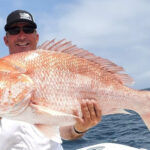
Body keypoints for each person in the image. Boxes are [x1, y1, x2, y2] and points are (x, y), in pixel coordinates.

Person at [1, 9, 102, 150]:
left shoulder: (55, 67)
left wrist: (80, 128)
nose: (22, 36)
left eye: (28, 29)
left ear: (36, 37)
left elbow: (67, 134)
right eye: (14, 30)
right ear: (6, 40)